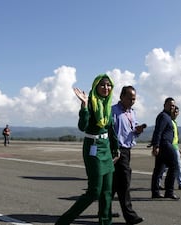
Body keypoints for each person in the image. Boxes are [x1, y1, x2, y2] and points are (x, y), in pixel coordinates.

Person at [55, 74, 119, 225]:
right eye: (102, 85)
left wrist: (116, 148)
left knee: (107, 192)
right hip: (93, 149)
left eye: (109, 85)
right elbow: (82, 127)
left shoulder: (107, 104)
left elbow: (110, 129)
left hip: (106, 149)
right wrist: (84, 106)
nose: (106, 88)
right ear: (96, 86)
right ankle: (63, 222)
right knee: (94, 192)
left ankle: (105, 222)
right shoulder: (91, 103)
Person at [111, 86, 145, 225]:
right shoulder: (114, 111)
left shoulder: (132, 112)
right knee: (124, 182)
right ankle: (130, 216)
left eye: (134, 99)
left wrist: (138, 130)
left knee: (114, 184)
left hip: (127, 149)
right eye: (130, 98)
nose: (132, 101)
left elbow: (133, 129)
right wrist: (114, 149)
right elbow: (110, 130)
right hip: (117, 150)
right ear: (122, 97)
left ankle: (104, 210)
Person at [150, 97, 180, 200]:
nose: (172, 107)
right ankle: (169, 192)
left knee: (159, 169)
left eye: (173, 105)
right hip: (165, 145)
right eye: (170, 105)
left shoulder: (168, 117)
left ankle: (155, 192)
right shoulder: (163, 116)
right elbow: (158, 131)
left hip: (164, 145)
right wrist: (156, 145)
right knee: (174, 166)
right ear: (165, 105)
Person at [157, 106, 181, 190]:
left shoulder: (174, 123)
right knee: (173, 166)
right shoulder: (168, 121)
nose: (175, 114)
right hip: (169, 147)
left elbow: (175, 137)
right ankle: (180, 184)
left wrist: (178, 147)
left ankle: (179, 183)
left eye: (177, 112)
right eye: (174, 112)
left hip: (174, 147)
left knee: (170, 166)